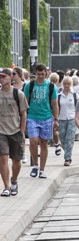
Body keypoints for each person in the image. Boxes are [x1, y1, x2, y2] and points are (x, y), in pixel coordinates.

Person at [25, 64, 59, 179]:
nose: (40, 76)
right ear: (35, 73)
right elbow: (25, 103)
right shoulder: (29, 86)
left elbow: (54, 103)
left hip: (47, 117)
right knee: (33, 141)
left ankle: (42, 169)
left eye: (42, 74)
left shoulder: (51, 86)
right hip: (32, 117)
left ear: (46, 73)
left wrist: (56, 119)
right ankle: (35, 165)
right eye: (38, 74)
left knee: (44, 143)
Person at [0, 68, 28, 196]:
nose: (1, 79)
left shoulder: (18, 94)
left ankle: (14, 180)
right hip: (1, 132)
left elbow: (23, 114)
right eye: (0, 77)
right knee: (3, 158)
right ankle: (6, 186)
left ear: (10, 77)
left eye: (3, 76)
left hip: (15, 130)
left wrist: (22, 132)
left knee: (17, 161)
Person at [57, 76, 78, 166]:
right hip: (61, 118)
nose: (66, 85)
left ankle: (68, 158)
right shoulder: (58, 95)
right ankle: (68, 152)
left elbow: (78, 107)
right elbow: (56, 107)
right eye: (65, 84)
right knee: (62, 138)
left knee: (69, 138)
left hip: (72, 118)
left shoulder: (74, 95)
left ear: (71, 84)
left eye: (68, 84)